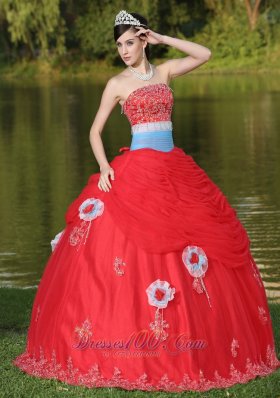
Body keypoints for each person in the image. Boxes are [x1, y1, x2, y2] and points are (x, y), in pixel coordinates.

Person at [12, 10, 279, 393]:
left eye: (129, 42)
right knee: (133, 247)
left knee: (193, 239)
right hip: (136, 170)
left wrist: (164, 38)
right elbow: (94, 130)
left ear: (142, 40)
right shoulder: (116, 83)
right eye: (119, 45)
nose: (123, 50)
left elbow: (204, 54)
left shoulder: (165, 72)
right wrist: (104, 168)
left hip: (173, 169)